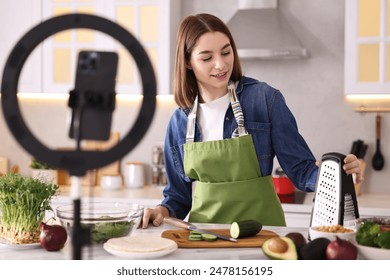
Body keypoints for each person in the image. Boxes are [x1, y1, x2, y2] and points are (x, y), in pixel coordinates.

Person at [142, 13, 363, 228]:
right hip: (206, 237)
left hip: (265, 232)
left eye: (226, 52)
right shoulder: (180, 121)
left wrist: (339, 175)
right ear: (188, 61)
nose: (220, 65)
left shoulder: (265, 99)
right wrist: (161, 211)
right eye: (207, 57)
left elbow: (301, 170)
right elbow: (178, 198)